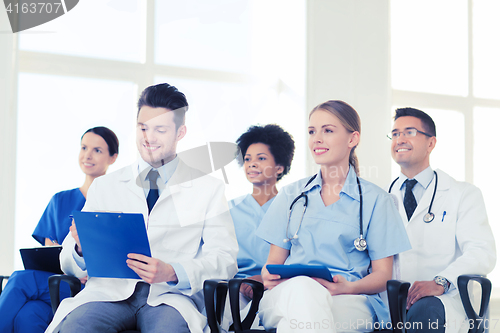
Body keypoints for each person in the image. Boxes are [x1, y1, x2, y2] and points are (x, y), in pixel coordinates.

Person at [46, 83, 238, 333]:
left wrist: (172, 272)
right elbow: (68, 263)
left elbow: (225, 260)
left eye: (160, 129)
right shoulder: (105, 186)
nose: (149, 137)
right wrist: (81, 247)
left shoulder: (207, 189)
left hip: (169, 297)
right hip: (108, 293)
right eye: (143, 127)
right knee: (75, 329)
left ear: (180, 133)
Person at [255, 100, 411, 333]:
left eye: (327, 131)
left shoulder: (377, 200)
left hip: (350, 299)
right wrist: (268, 276)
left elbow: (382, 275)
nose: (316, 138)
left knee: (296, 323)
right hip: (287, 292)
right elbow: (272, 263)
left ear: (352, 139)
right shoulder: (290, 195)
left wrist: (348, 287)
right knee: (303, 293)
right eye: (312, 131)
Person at [387, 107, 496, 333]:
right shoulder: (382, 198)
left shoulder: (463, 194)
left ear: (431, 143)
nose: (400, 139)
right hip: (391, 301)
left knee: (424, 313)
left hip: (445, 301)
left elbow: (481, 252)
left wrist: (440, 282)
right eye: (395, 133)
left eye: (409, 132)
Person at [0, 126, 119, 333]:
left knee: (19, 279)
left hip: (90, 288)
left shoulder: (117, 204)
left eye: (97, 150)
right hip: (56, 283)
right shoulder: (60, 200)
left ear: (113, 157)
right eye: (84, 148)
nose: (87, 155)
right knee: (30, 314)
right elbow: (49, 252)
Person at [223, 124, 295, 331]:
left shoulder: (294, 209)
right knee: (223, 315)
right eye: (247, 159)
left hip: (277, 285)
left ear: (279, 167)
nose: (252, 164)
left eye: (261, 158)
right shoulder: (228, 210)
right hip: (237, 288)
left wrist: (264, 279)